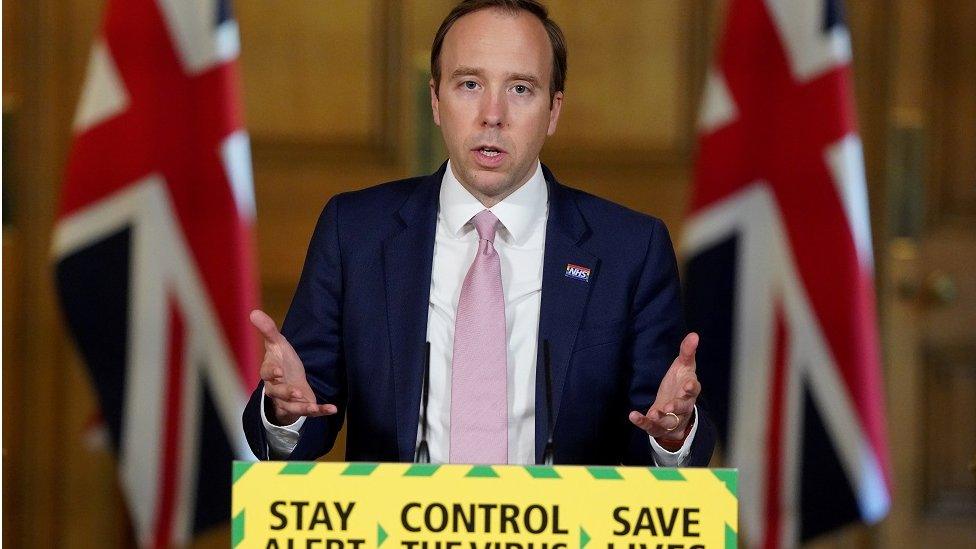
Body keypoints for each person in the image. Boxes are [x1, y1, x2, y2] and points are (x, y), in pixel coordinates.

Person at [242, 0, 715, 466]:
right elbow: (304, 419)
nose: (493, 114)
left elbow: (661, 427)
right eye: (469, 84)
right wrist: (285, 414)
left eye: (521, 89)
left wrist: (671, 439)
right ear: (435, 100)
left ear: (553, 110)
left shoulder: (630, 250)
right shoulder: (356, 233)